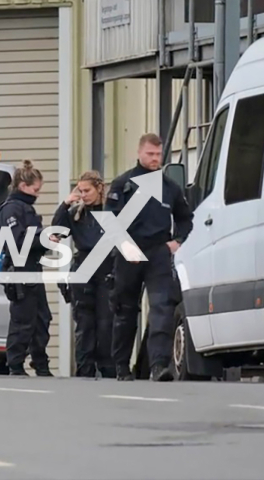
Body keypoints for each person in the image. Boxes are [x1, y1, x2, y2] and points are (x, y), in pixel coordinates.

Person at [105, 133, 193, 382]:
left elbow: (186, 218)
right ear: (139, 153)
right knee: (125, 311)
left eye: (158, 154)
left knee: (162, 309)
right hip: (129, 252)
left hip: (158, 253)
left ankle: (158, 366)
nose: (155, 159)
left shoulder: (169, 188)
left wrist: (177, 241)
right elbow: (109, 221)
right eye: (150, 154)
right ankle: (122, 366)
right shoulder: (123, 184)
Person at [52, 171, 116, 378]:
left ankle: (108, 368)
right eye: (80, 190)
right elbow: (57, 231)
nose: (84, 195)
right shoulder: (76, 214)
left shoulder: (111, 212)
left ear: (99, 188)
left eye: (87, 190)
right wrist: (65, 204)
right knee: (84, 324)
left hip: (107, 267)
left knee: (106, 322)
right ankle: (84, 369)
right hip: (83, 268)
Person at [0, 159, 53, 377]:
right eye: (35, 189)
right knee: (23, 320)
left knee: (41, 319)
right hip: (20, 271)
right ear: (23, 186)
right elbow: (16, 241)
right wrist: (43, 239)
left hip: (32, 270)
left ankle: (40, 363)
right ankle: (16, 365)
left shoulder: (25, 208)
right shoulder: (11, 209)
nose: (37, 194)